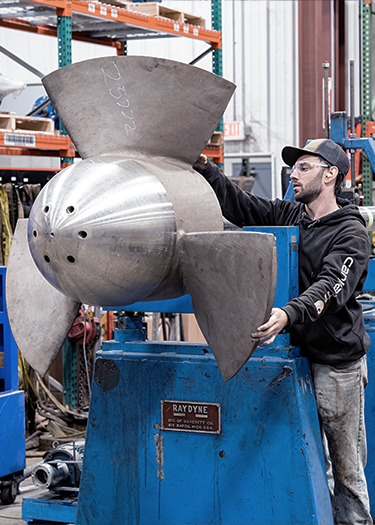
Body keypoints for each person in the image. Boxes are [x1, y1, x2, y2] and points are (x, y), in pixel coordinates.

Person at [193, 138, 372, 525]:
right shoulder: (293, 215)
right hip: (296, 358)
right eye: (293, 167)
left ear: (330, 175)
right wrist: (206, 168)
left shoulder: (350, 233)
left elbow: (331, 288)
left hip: (335, 364)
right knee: (306, 462)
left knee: (346, 469)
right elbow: (243, 207)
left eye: (304, 167)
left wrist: (288, 314)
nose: (293, 173)